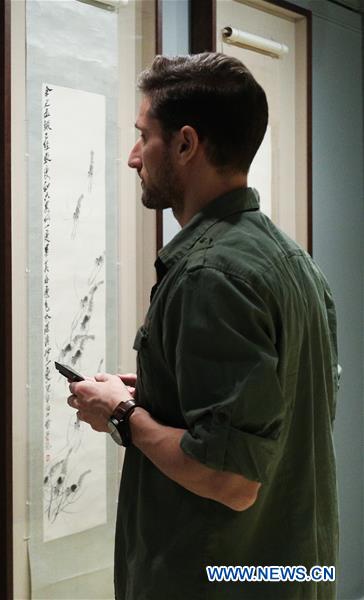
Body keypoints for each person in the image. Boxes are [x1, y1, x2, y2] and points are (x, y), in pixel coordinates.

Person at [67, 52, 339, 599]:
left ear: (186, 144)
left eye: (144, 136)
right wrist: (159, 395)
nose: (133, 157)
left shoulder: (211, 275)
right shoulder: (293, 262)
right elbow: (269, 415)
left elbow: (231, 480)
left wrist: (122, 415)